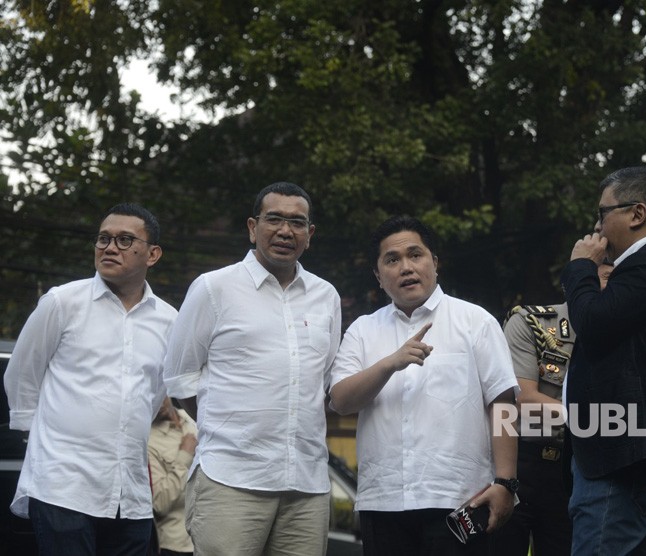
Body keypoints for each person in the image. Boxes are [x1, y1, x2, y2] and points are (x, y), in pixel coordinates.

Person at [163, 182, 341, 556]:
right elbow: (181, 377)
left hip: (306, 485)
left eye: (296, 222)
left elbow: (322, 382)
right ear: (252, 227)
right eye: (273, 219)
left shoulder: (326, 296)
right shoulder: (214, 288)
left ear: (310, 235)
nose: (284, 230)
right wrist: (232, 431)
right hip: (231, 480)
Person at [329, 215, 519, 556]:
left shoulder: (474, 321)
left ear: (435, 262)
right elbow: (341, 400)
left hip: (460, 498)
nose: (406, 267)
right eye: (392, 260)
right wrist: (390, 362)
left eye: (415, 255)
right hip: (382, 500)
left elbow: (503, 403)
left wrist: (506, 482)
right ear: (378, 275)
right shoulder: (362, 330)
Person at [4, 203, 177, 556]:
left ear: (153, 254)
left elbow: (156, 391)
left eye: (125, 240)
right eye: (103, 239)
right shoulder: (62, 302)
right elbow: (23, 372)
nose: (110, 247)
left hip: (130, 492)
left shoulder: (170, 321)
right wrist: (33, 435)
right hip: (63, 484)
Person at [561, 166, 646, 554]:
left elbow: (592, 322)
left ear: (637, 214)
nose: (597, 226)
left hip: (620, 462)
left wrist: (581, 266)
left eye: (603, 213)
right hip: (626, 458)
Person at [490, 263, 613, 556]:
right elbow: (523, 400)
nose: (613, 288)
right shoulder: (532, 323)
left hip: (576, 468)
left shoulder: (617, 339)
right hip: (521, 462)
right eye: (607, 277)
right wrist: (594, 418)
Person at [149, 397, 198, 556]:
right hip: (177, 545)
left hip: (212, 535)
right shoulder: (149, 441)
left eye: (158, 393)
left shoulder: (195, 417)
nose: (156, 400)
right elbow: (159, 503)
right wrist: (185, 456)